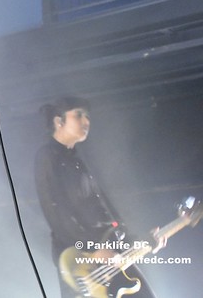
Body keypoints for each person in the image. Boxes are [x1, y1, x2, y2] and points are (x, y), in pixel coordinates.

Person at [34, 96, 161, 298]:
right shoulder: (47, 157)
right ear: (59, 121)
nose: (86, 121)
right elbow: (55, 211)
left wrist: (135, 241)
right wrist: (92, 248)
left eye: (87, 116)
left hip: (109, 248)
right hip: (81, 260)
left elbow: (103, 210)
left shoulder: (78, 160)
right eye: (78, 115)